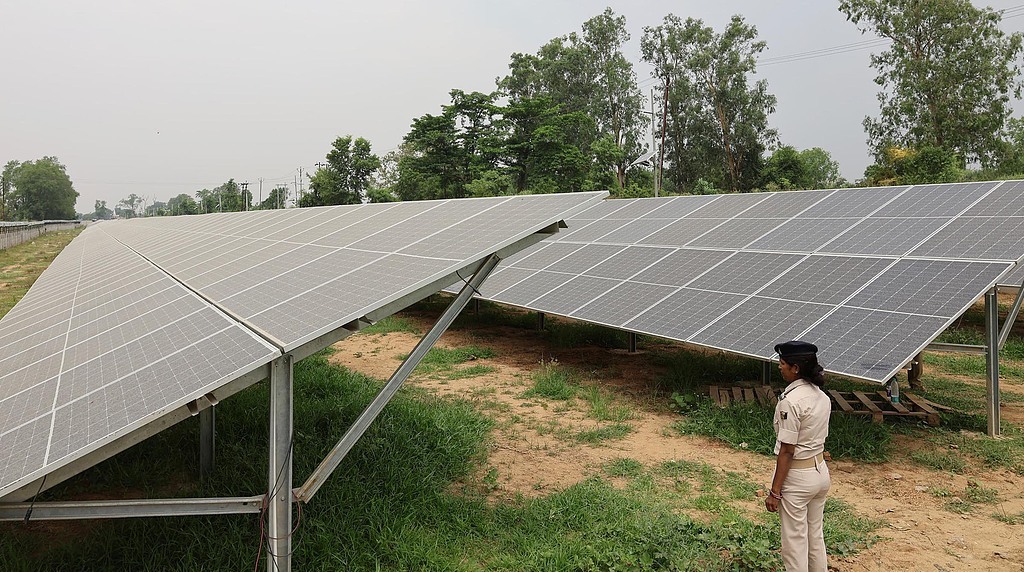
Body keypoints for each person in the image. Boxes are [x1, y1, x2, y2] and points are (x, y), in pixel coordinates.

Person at [764, 340, 831, 572]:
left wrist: (775, 491)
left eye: (783, 363)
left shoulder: (790, 402)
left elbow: (787, 450)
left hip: (798, 478)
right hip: (820, 472)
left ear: (795, 369)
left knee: (794, 543)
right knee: (815, 536)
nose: (779, 367)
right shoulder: (822, 397)